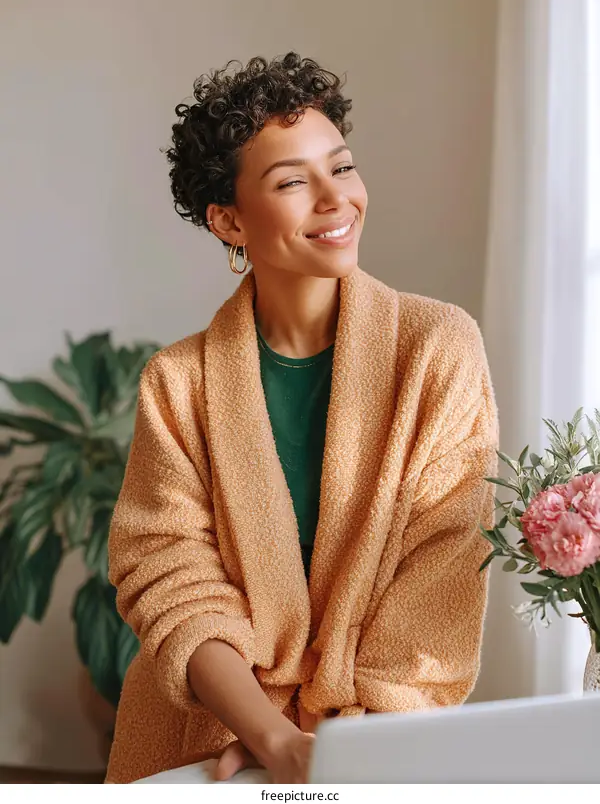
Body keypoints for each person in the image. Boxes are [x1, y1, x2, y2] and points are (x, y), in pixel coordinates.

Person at [105, 52, 499, 784]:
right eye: (292, 182)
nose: (335, 199)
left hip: (379, 744)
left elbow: (441, 573)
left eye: (342, 168)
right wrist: (269, 736)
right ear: (228, 219)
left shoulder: (438, 349)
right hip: (205, 743)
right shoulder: (178, 383)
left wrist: (338, 748)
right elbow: (170, 579)